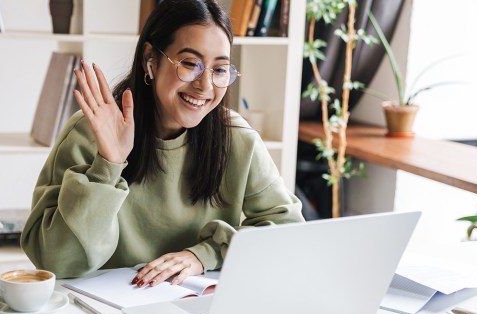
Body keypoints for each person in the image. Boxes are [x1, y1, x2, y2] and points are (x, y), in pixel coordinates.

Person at [21, 0, 304, 287]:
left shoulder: (236, 138)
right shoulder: (89, 132)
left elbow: (289, 233)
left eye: (219, 69)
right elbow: (55, 261)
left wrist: (205, 254)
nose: (205, 86)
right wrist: (109, 165)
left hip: (197, 305)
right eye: (190, 64)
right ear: (150, 60)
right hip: (107, 312)